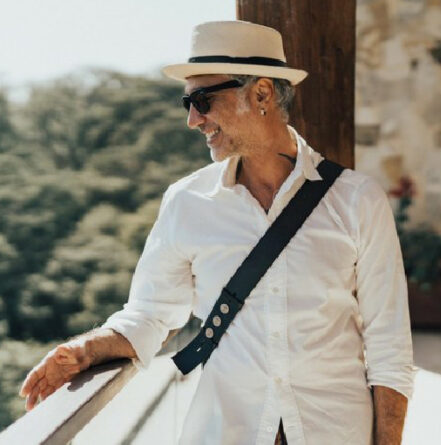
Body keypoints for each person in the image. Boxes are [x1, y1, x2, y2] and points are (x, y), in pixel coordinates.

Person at [19, 20, 414, 445]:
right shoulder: (186, 202)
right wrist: (85, 350)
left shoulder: (358, 200)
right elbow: (150, 314)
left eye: (203, 100)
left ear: (261, 93)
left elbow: (389, 348)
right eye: (187, 102)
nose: (192, 120)